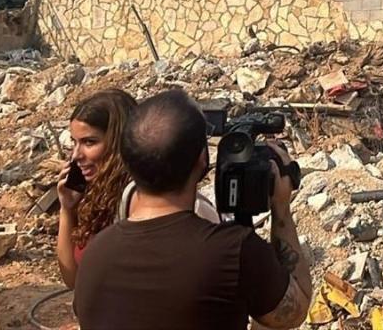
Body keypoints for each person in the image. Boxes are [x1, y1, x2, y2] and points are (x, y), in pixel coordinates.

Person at [72, 90, 311, 330]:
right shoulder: (234, 252)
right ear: (201, 159)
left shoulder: (95, 254)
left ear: (126, 159)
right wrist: (281, 209)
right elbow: (294, 312)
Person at [56, 89, 137, 290]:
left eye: (89, 142)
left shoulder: (137, 198)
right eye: (74, 142)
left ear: (118, 142)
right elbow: (73, 279)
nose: (76, 155)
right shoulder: (96, 195)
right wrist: (67, 209)